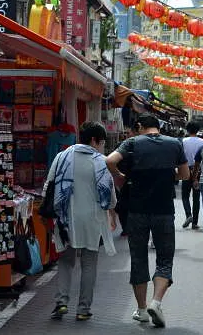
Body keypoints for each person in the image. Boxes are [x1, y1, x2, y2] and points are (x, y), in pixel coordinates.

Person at [106, 114, 190, 328]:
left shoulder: (132, 142)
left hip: (137, 211)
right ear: (158, 127)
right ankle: (156, 302)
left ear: (141, 126)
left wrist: (122, 175)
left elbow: (109, 161)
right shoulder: (174, 144)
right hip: (163, 210)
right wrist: (168, 176)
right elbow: (185, 174)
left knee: (138, 257)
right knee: (164, 258)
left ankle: (142, 310)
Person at [45, 122, 117, 321]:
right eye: (101, 142)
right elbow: (109, 194)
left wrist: (48, 213)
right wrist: (112, 213)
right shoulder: (101, 161)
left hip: (66, 219)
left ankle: (61, 302)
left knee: (66, 261)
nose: (102, 146)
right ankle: (83, 309)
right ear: (94, 140)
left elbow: (49, 186)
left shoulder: (62, 156)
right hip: (92, 220)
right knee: (89, 264)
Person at [180, 121, 203, 229]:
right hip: (198, 171)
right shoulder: (202, 142)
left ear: (188, 130)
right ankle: (195, 222)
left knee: (185, 195)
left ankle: (188, 214)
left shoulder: (183, 141)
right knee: (196, 197)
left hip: (186, 170)